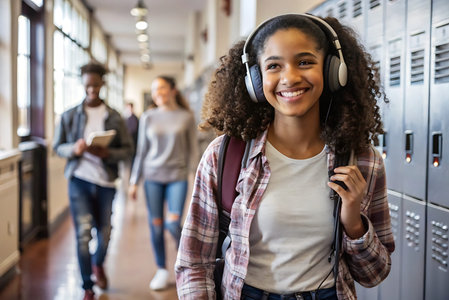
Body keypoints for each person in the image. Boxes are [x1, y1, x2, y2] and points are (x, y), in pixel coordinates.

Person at [175, 14, 395, 300]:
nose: (289, 77)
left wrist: (354, 224)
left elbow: (374, 274)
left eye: (305, 62)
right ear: (256, 80)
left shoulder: (364, 162)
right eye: (274, 66)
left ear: (333, 70)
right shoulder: (224, 155)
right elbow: (194, 262)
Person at [53, 62, 133, 300]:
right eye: (88, 86)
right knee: (83, 235)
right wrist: (74, 149)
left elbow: (128, 149)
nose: (92, 90)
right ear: (83, 84)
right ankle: (87, 286)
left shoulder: (115, 117)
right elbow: (57, 147)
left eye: (96, 85)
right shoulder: (69, 115)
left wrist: (108, 153)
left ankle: (98, 264)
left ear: (102, 84)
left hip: (106, 182)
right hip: (79, 180)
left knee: (105, 233)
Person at [128, 75, 199, 291]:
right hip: (152, 178)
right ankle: (161, 269)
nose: (158, 92)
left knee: (172, 224)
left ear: (173, 90)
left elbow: (193, 151)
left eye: (161, 88)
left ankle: (183, 263)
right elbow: (141, 151)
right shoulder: (148, 116)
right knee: (156, 227)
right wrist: (134, 181)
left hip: (177, 177)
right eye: (154, 89)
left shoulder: (186, 117)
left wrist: (198, 178)